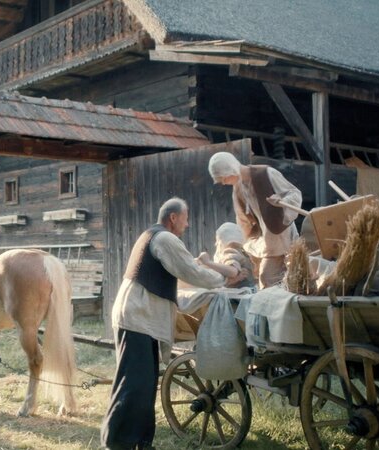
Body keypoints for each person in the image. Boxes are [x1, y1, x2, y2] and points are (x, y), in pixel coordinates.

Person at [101, 197, 225, 450]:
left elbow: (179, 276)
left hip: (139, 317)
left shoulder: (153, 234)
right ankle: (117, 443)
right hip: (136, 317)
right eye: (186, 218)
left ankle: (140, 442)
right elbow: (191, 270)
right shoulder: (165, 239)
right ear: (173, 218)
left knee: (144, 385)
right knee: (133, 384)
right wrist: (223, 279)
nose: (187, 224)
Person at [208, 152, 302, 289]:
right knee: (270, 279)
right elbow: (242, 221)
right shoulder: (238, 188)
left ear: (230, 171)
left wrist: (283, 201)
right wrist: (243, 244)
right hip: (266, 241)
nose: (223, 183)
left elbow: (295, 193)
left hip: (282, 234)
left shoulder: (266, 174)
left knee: (271, 278)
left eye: (223, 178)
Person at [196, 222, 256, 289]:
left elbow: (232, 272)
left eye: (217, 241)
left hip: (240, 293)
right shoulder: (242, 252)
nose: (215, 244)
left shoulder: (229, 251)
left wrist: (208, 262)